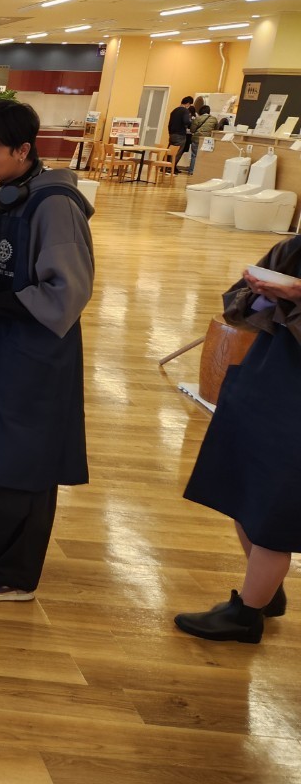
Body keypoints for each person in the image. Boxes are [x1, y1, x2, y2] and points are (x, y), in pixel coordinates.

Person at [0, 99, 94, 602]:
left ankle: (13, 573)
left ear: (23, 150)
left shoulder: (54, 204)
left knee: (19, 457)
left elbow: (66, 292)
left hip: (36, 351)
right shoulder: (9, 196)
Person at [175, 236, 301, 643]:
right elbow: (237, 307)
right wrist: (262, 293)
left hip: (292, 398)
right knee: (242, 486)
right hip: (265, 376)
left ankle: (247, 616)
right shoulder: (293, 250)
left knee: (274, 506)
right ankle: (263, 590)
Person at [169, 95, 194, 172]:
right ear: (188, 103)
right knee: (177, 152)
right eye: (190, 105)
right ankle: (170, 168)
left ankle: (164, 167)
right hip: (180, 134)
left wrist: (170, 133)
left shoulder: (174, 110)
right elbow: (186, 121)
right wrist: (191, 121)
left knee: (170, 151)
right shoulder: (185, 111)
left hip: (172, 134)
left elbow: (170, 123)